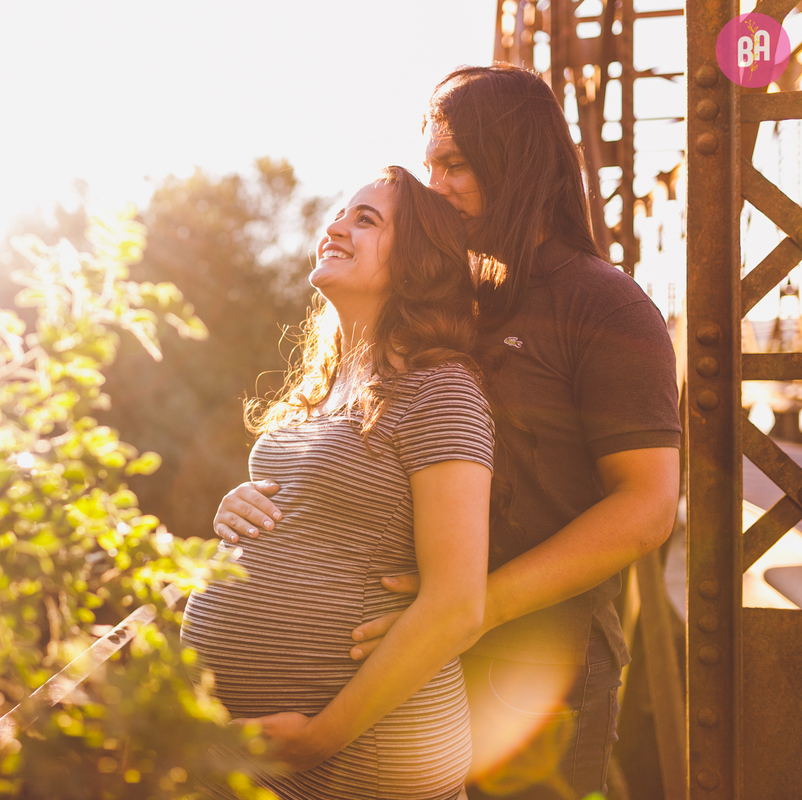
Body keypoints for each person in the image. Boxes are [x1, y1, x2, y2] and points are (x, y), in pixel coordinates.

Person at [212, 65, 681, 799]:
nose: (435, 186)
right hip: (413, 656)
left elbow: (648, 507)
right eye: (429, 164)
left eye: (454, 164)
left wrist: (476, 605)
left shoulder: (605, 305)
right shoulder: (451, 299)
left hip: (534, 665)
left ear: (517, 161)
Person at [181, 166, 493, 800]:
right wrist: (238, 508)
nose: (337, 226)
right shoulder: (320, 391)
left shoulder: (440, 392)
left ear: (417, 264)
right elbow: (315, 514)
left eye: (366, 219)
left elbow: (458, 605)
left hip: (360, 761)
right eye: (341, 213)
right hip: (257, 761)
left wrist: (323, 735)